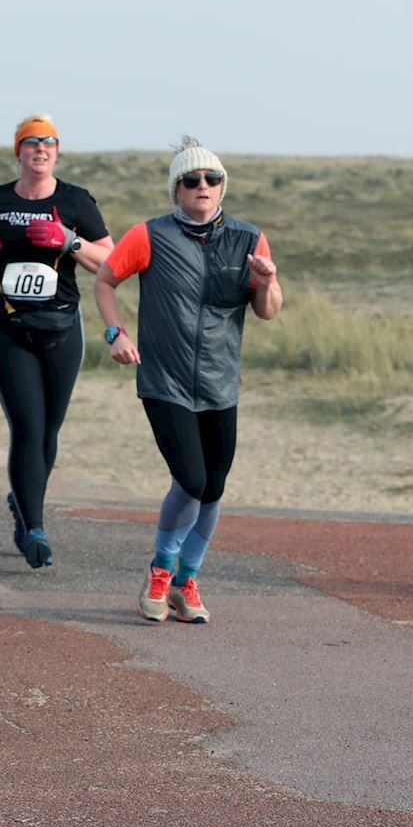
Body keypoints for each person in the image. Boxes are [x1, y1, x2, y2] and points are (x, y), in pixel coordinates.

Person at [93, 137, 282, 624]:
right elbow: (105, 280)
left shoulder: (248, 239)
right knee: (191, 480)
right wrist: (115, 333)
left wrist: (266, 281)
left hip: (220, 383)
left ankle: (185, 581)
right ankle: (160, 570)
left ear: (223, 188)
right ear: (176, 190)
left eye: (212, 179)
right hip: (164, 381)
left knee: (214, 486)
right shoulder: (149, 235)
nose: (203, 187)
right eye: (191, 180)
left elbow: (267, 312)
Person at [0, 115, 112, 568]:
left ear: (57, 152)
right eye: (31, 143)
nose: (40, 150)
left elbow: (110, 260)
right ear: (18, 152)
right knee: (26, 425)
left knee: (49, 428)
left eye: (48, 143)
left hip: (62, 327)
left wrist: (69, 241)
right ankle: (34, 527)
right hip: (7, 327)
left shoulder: (76, 201)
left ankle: (23, 500)